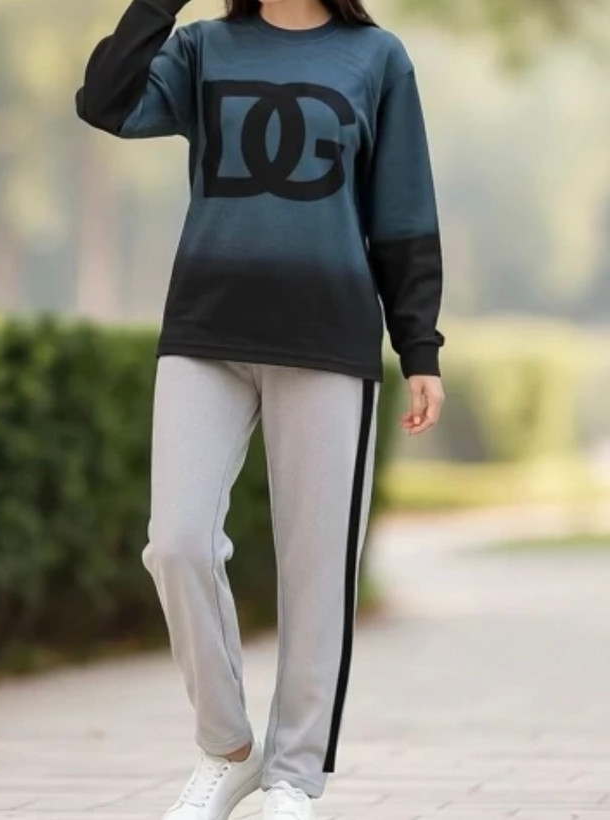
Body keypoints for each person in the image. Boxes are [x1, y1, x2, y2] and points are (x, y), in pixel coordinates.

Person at [75, 0, 445, 815]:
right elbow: (104, 103)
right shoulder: (203, 48)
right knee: (176, 545)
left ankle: (292, 778)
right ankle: (229, 746)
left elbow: (404, 214)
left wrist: (419, 347)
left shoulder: (376, 58)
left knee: (316, 574)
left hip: (327, 338)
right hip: (206, 331)